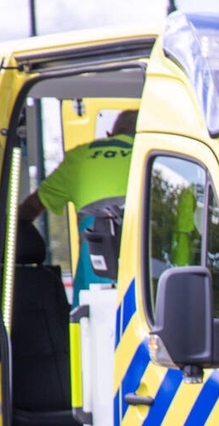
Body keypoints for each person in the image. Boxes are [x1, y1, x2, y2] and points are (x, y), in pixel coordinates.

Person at [18, 109, 137, 300]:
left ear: (109, 135)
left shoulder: (79, 156)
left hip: (96, 263)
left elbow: (32, 206)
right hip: (145, 262)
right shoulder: (149, 156)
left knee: (89, 311)